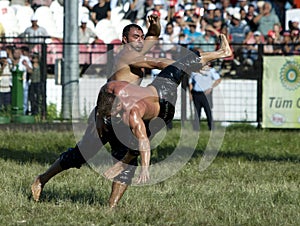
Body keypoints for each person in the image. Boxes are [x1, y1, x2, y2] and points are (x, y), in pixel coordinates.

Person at [31, 18, 231, 207]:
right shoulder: (129, 54)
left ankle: (112, 207)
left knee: (127, 161)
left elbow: (153, 36)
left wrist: (156, 25)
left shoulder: (136, 49)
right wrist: (185, 65)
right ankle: (41, 179)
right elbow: (157, 63)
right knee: (81, 154)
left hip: (126, 113)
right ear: (124, 39)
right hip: (109, 110)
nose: (141, 39)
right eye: (136, 36)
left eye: (141, 36)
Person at [100, 34, 232, 182]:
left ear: (117, 104)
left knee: (139, 138)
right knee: (183, 64)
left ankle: (223, 53)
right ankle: (220, 53)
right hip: (163, 105)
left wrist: (145, 169)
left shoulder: (131, 110)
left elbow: (143, 141)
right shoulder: (121, 99)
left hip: (163, 98)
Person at [189, 61, 221, 131]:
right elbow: (190, 82)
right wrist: (190, 94)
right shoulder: (194, 71)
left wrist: (211, 88)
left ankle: (211, 127)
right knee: (197, 112)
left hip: (206, 94)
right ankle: (196, 128)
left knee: (208, 111)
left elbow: (218, 80)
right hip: (196, 93)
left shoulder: (211, 70)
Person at [11, 47, 33, 115]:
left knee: (24, 99)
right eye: (15, 53)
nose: (16, 54)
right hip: (13, 84)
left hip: (23, 83)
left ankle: (23, 113)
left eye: (18, 53)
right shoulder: (11, 60)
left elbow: (30, 71)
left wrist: (26, 65)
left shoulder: (25, 59)